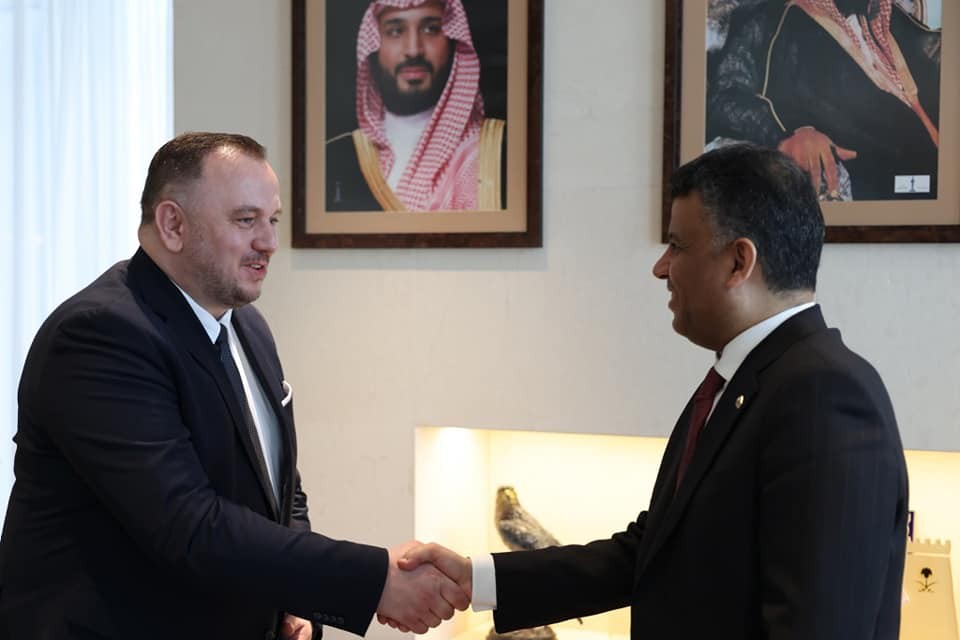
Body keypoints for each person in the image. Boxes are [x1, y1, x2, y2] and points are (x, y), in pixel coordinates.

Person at [397, 144, 909, 638]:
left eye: (678, 246)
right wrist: (479, 579)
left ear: (739, 262)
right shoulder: (744, 382)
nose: (661, 267)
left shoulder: (825, 395)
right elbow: (653, 552)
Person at [0, 132, 468, 640]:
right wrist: (374, 581)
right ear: (173, 224)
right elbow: (188, 525)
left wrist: (295, 601)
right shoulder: (100, 335)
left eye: (273, 220)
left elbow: (281, 494)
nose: (268, 242)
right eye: (246, 220)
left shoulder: (247, 325)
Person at [706, 0, 940, 201]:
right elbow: (725, 97)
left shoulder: (890, 18)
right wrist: (791, 134)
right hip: (872, 184)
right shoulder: (770, 20)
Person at [326, 0, 506, 212]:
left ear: (453, 42)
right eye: (395, 31)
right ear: (373, 46)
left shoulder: (504, 149)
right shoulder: (334, 158)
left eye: (431, 29)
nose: (413, 50)